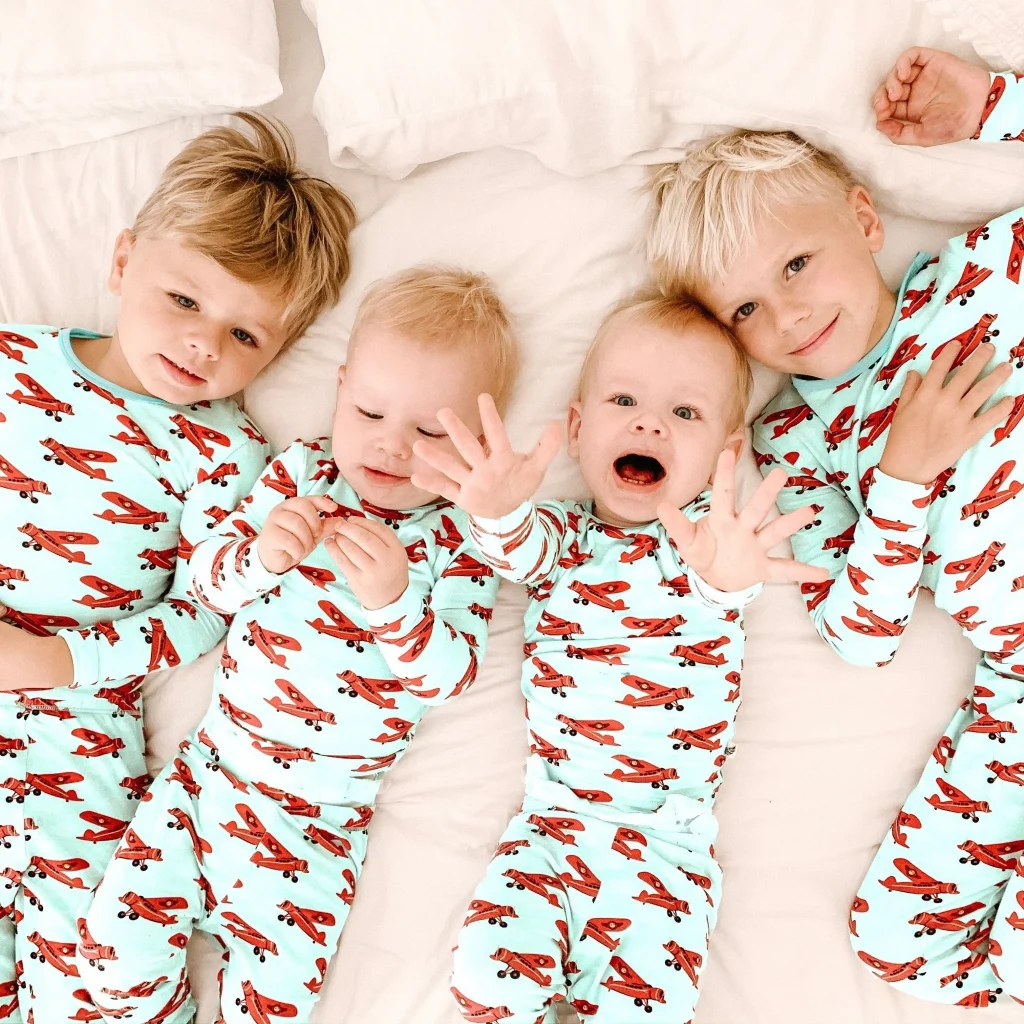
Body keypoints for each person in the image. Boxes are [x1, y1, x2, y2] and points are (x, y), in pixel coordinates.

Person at [646, 48, 1024, 1006]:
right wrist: (902, 478)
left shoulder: (988, 269)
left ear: (864, 218)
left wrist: (987, 105)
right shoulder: (799, 445)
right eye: (746, 308)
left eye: (797, 263)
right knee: (900, 945)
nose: (790, 311)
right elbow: (860, 636)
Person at [80, 266, 519, 1024]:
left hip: (317, 823)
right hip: (206, 780)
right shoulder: (302, 473)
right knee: (111, 956)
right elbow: (208, 587)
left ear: (477, 442)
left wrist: (395, 603)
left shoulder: (460, 540)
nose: (389, 446)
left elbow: (449, 677)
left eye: (426, 432)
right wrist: (260, 553)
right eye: (370, 411)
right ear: (341, 388)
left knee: (277, 1003)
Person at [0, 112, 355, 1022]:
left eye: (246, 338)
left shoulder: (223, 455)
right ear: (123, 265)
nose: (203, 346)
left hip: (72, 738)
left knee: (98, 977)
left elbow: (203, 610)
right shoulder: (12, 365)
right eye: (186, 302)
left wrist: (59, 665)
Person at [415, 294, 826, 1023]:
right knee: (486, 982)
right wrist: (496, 508)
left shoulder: (708, 547)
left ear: (726, 457)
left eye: (685, 414)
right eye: (624, 400)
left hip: (665, 843)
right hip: (551, 827)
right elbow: (518, 549)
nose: (649, 423)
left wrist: (729, 572)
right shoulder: (565, 538)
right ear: (576, 430)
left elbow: (723, 589)